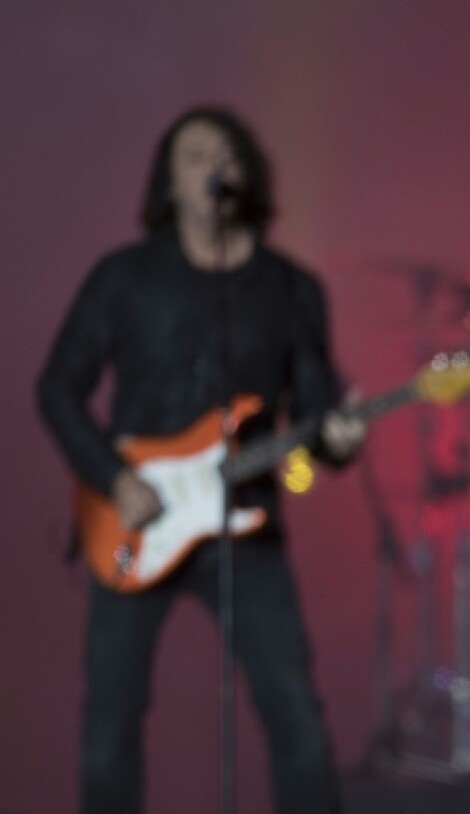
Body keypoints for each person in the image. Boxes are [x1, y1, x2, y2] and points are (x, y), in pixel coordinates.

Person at [37, 105, 366, 814]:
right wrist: (113, 478)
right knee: (108, 731)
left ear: (247, 172)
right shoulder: (124, 278)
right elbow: (56, 387)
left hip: (246, 528)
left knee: (298, 722)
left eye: (225, 151)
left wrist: (336, 442)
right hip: (132, 521)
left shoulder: (291, 289)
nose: (212, 163)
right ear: (169, 183)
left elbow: (312, 425)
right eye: (192, 155)